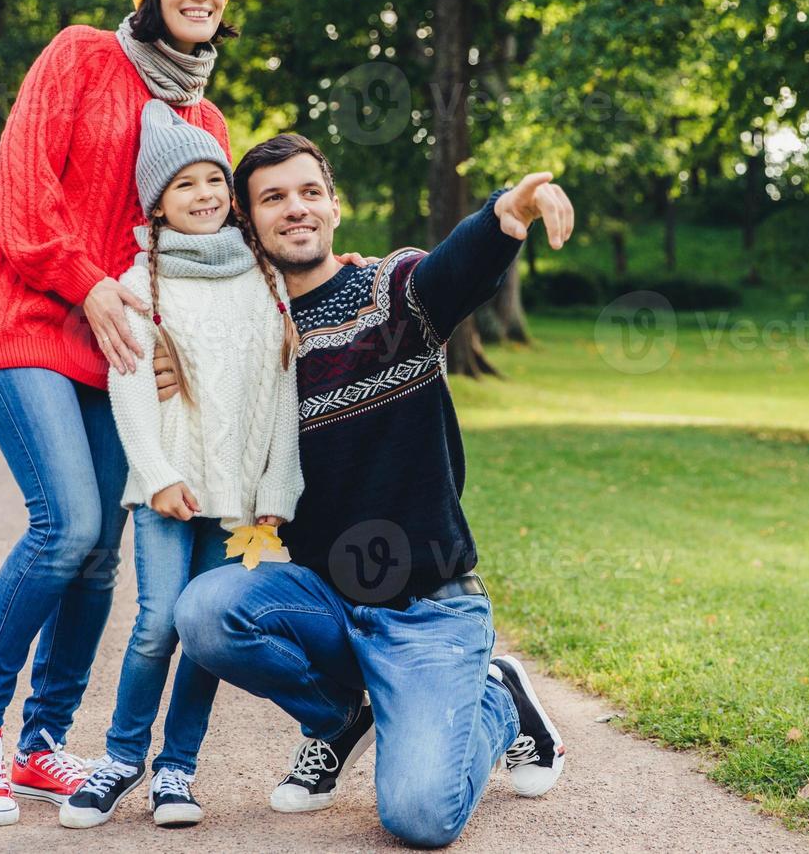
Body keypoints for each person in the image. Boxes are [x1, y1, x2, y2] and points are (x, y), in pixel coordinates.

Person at [169, 133, 575, 847]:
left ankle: (496, 703)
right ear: (246, 219)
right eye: (272, 198)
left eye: (308, 192)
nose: (294, 209)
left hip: (427, 610)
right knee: (205, 612)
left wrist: (509, 213)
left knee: (419, 818)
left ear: (333, 204)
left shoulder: (391, 293)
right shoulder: (248, 339)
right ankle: (338, 718)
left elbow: (456, 271)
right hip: (325, 601)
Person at [0, 0, 240, 827]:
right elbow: (17, 195)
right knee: (66, 524)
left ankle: (40, 745)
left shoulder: (208, 121)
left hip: (119, 353)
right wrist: (91, 284)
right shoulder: (80, 55)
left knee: (104, 553)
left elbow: (212, 254)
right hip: (21, 316)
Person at [58, 100, 303, 830]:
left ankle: (177, 770)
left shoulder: (265, 279)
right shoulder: (141, 280)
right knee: (157, 624)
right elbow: (127, 385)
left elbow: (284, 390)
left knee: (203, 631)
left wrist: (277, 489)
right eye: (184, 185)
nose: (204, 195)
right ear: (157, 205)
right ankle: (122, 756)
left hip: (241, 502)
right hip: (172, 492)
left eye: (213, 181)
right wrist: (158, 474)